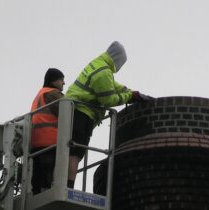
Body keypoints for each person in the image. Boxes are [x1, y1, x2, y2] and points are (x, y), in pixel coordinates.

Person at [65, 41, 153, 188]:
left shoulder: (100, 65)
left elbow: (112, 85)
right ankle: (68, 186)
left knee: (73, 151)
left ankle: (66, 184)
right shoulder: (103, 73)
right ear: (117, 59)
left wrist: (130, 91)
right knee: (75, 152)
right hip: (81, 113)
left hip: (76, 110)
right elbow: (108, 99)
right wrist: (129, 97)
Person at [30, 68, 65, 194]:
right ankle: (45, 192)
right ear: (53, 80)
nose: (63, 83)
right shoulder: (53, 93)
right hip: (49, 140)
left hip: (36, 141)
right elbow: (68, 111)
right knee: (48, 172)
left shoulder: (39, 94)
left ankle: (37, 193)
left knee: (38, 172)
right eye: (61, 80)